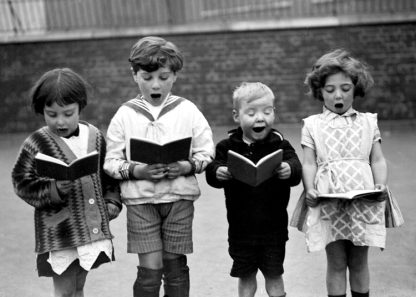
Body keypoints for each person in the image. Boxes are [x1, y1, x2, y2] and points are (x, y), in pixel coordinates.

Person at [104, 36, 215, 297]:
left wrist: (186, 166)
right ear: (134, 75)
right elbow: (111, 161)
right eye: (147, 77)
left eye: (164, 77)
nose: (155, 84)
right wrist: (137, 171)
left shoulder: (188, 110)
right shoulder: (125, 114)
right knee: (150, 269)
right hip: (140, 202)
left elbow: (206, 151)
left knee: (175, 265)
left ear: (175, 76)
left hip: (179, 199)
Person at [11, 68, 122, 297]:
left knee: (79, 286)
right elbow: (21, 181)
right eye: (51, 114)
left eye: (68, 113)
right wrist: (52, 189)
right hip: (59, 231)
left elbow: (108, 174)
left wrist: (112, 200)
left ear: (80, 107)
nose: (60, 121)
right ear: (42, 111)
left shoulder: (95, 136)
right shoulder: (36, 142)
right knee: (64, 291)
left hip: (89, 227)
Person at [296, 49, 388, 297]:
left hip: (363, 200)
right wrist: (310, 188)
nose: (338, 95)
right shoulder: (312, 124)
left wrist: (381, 184)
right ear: (320, 91)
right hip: (330, 200)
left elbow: (377, 158)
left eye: (345, 88)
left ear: (356, 88)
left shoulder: (369, 122)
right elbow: (309, 163)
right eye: (330, 89)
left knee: (359, 262)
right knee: (336, 263)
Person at [205, 82, 302, 297]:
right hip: (241, 230)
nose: (260, 118)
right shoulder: (226, 146)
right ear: (236, 116)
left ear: (273, 113)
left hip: (273, 230)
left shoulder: (280, 145)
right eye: (251, 113)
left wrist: (289, 169)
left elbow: (296, 167)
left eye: (267, 112)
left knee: (274, 276)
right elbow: (211, 170)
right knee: (246, 276)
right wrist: (218, 171)